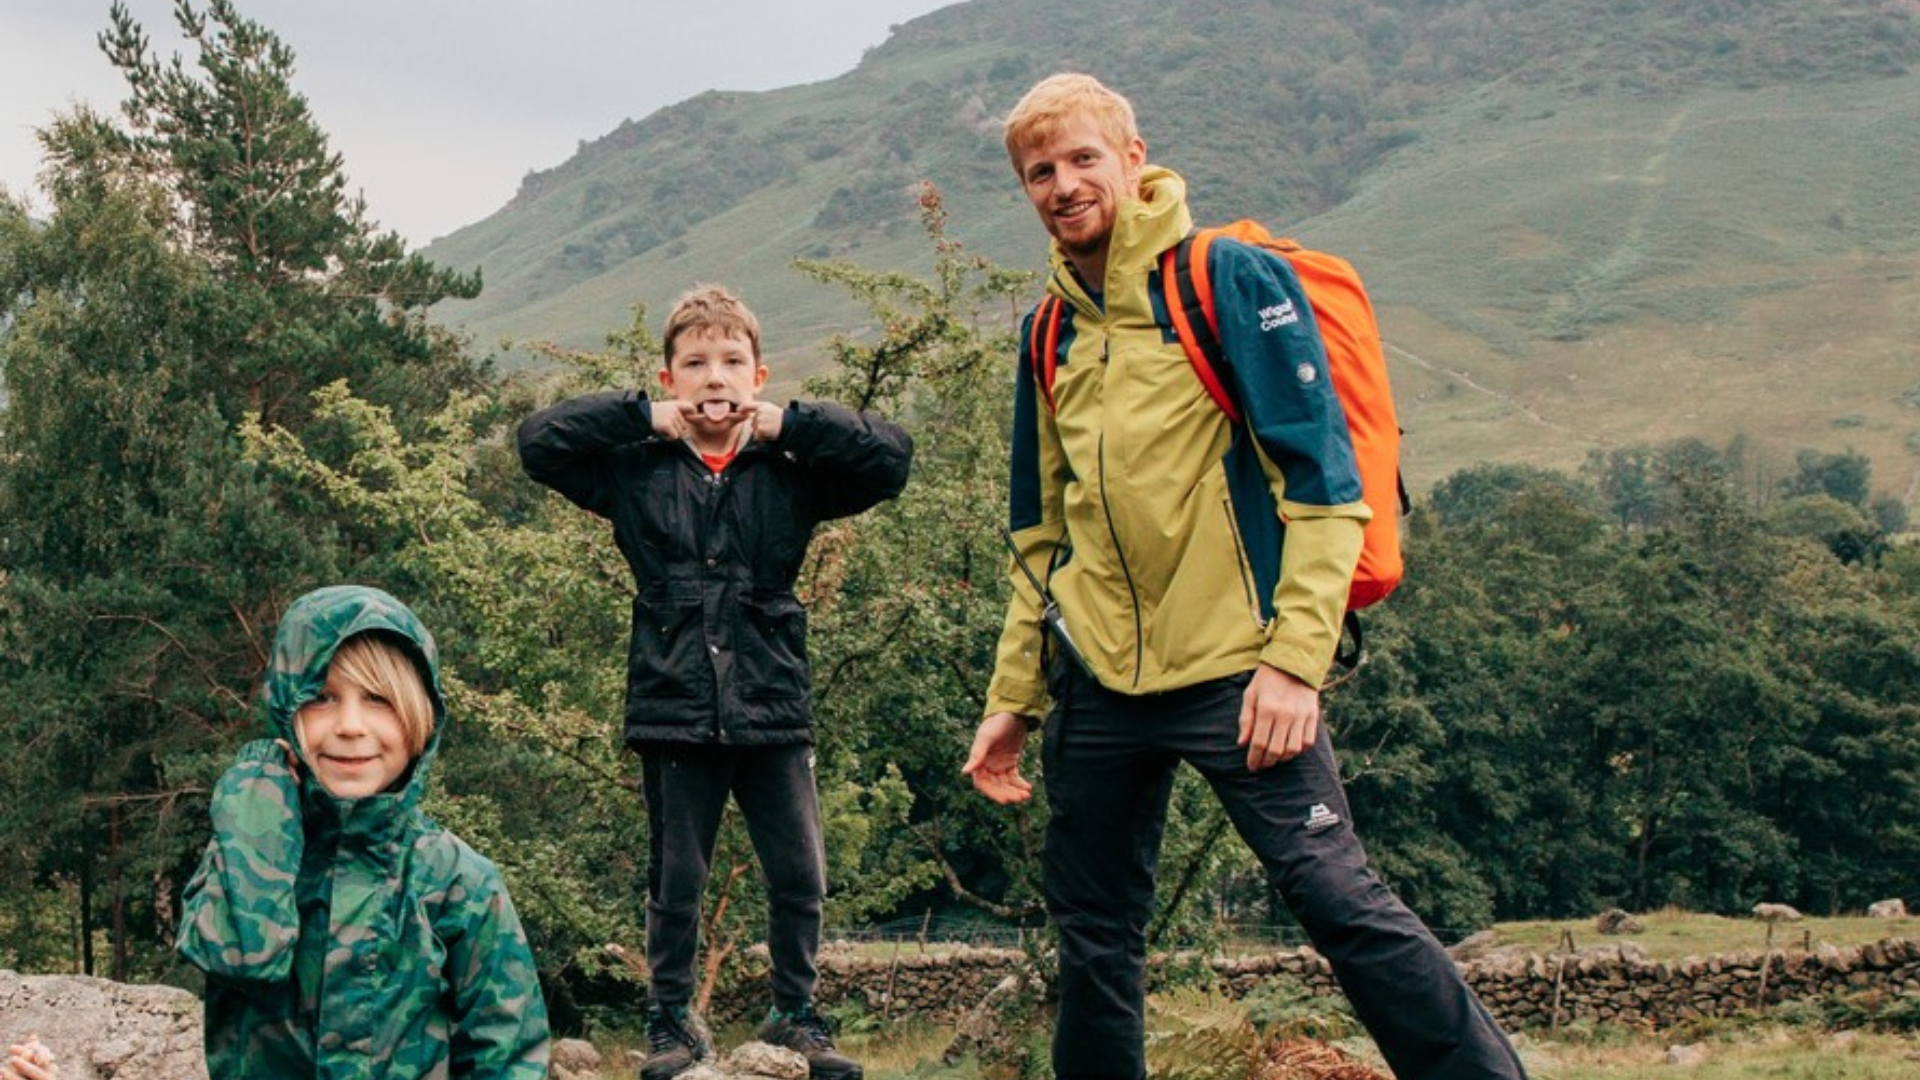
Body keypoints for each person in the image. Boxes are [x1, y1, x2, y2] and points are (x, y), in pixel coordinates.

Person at [961, 73, 1529, 1080]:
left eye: (1083, 158)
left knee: (1337, 900)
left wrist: (1296, 665)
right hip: (1098, 677)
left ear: (1134, 160)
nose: (1062, 185)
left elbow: (1323, 487)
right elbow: (1041, 535)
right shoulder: (1049, 331)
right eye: (1038, 172)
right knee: (1094, 936)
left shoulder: (1221, 281)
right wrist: (1016, 695)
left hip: (1240, 670)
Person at [517, 285, 912, 1080]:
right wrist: (639, 418)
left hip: (773, 700)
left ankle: (797, 1015)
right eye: (694, 363)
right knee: (678, 880)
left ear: (758, 373)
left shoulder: (791, 469)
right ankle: (671, 1024)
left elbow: (891, 459)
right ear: (670, 378)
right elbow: (538, 443)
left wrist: (791, 423)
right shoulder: (634, 470)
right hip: (673, 703)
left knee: (799, 872)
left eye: (731, 361)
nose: (714, 376)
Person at [175, 585, 551, 1079]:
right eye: (321, 697)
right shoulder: (249, 849)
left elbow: (508, 1059)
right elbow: (238, 956)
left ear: (421, 714)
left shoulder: (459, 881)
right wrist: (255, 811)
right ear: (286, 710)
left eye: (378, 699)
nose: (350, 725)